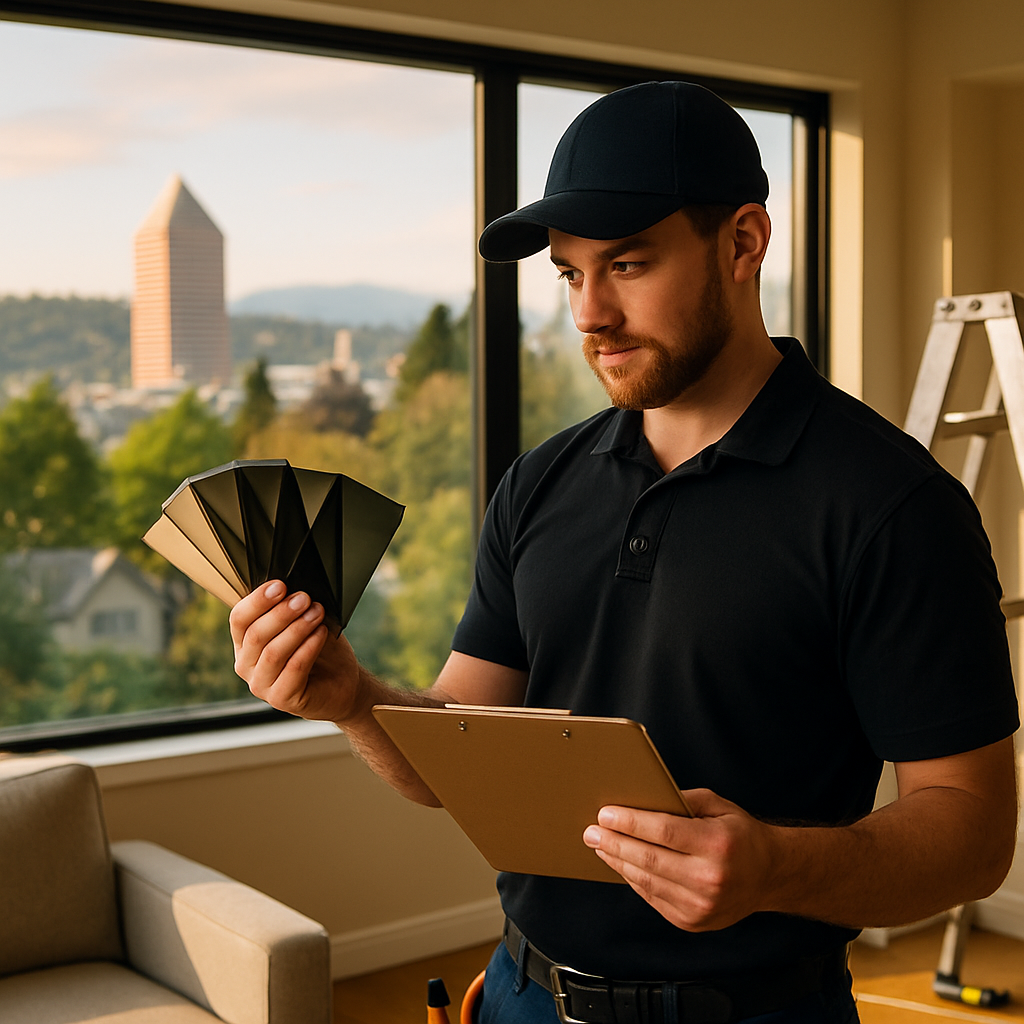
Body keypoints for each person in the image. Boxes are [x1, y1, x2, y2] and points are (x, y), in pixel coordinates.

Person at [230, 82, 1020, 1024]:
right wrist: (353, 700)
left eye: (629, 264)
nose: (589, 313)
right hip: (519, 993)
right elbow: (461, 752)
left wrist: (772, 867)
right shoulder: (538, 483)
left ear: (743, 243)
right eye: (570, 274)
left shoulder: (892, 506)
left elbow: (973, 832)